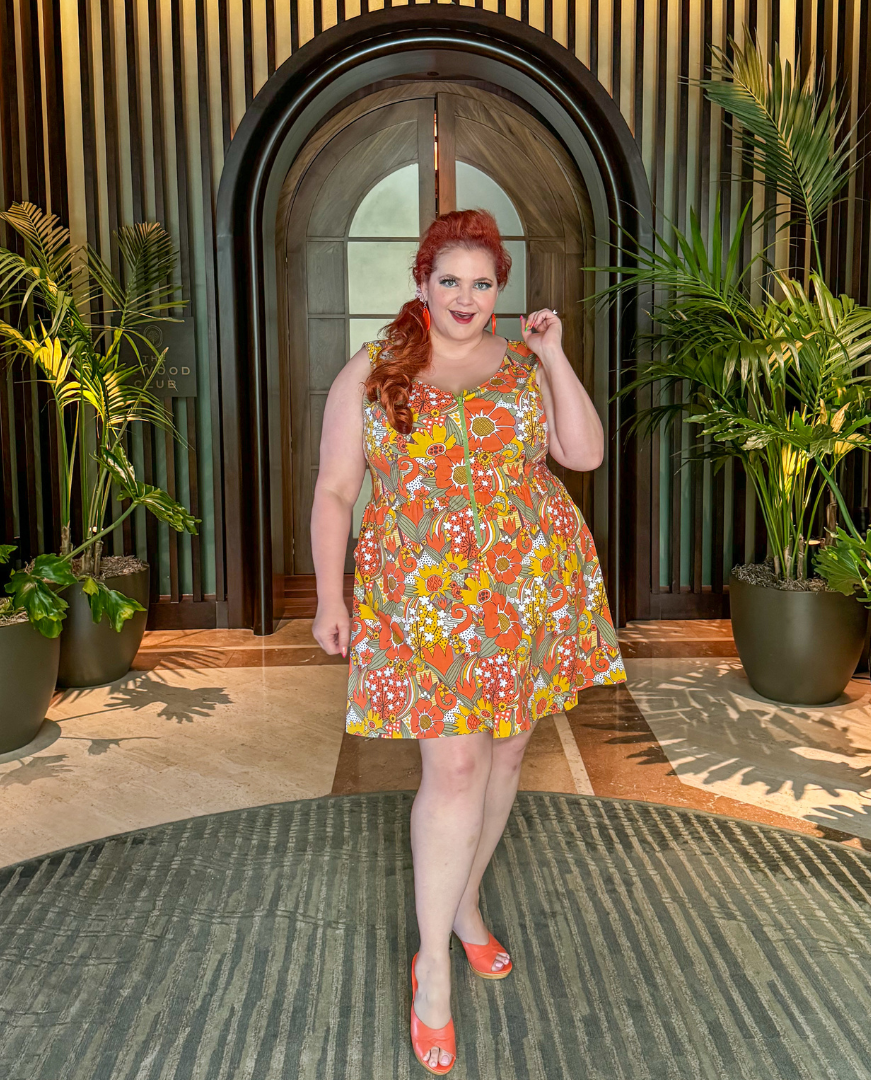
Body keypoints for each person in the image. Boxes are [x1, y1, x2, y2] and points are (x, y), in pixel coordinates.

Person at [310, 208, 627, 1074]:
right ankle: (435, 969)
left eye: (481, 283)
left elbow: (585, 453)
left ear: (500, 293)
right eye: (448, 279)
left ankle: (466, 901)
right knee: (452, 767)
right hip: (423, 602)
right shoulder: (372, 371)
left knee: (511, 756)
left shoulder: (526, 364)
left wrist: (557, 353)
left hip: (529, 588)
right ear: (420, 284)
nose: (464, 296)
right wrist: (330, 595)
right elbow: (337, 490)